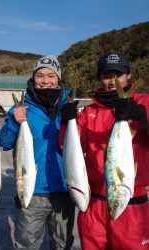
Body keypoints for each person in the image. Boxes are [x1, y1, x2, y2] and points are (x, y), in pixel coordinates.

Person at [59, 50, 149, 250]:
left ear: (129, 75)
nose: (112, 81)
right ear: (100, 77)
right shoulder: (89, 112)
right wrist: (67, 122)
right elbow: (68, 147)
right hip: (94, 203)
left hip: (132, 203)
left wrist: (142, 116)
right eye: (107, 75)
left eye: (118, 75)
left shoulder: (144, 103)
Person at [0, 55, 75, 249]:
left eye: (51, 75)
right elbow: (5, 142)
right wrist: (15, 122)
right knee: (27, 244)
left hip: (65, 190)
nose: (45, 80)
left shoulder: (69, 106)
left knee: (63, 244)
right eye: (40, 75)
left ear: (58, 78)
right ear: (33, 78)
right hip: (32, 191)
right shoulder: (21, 108)